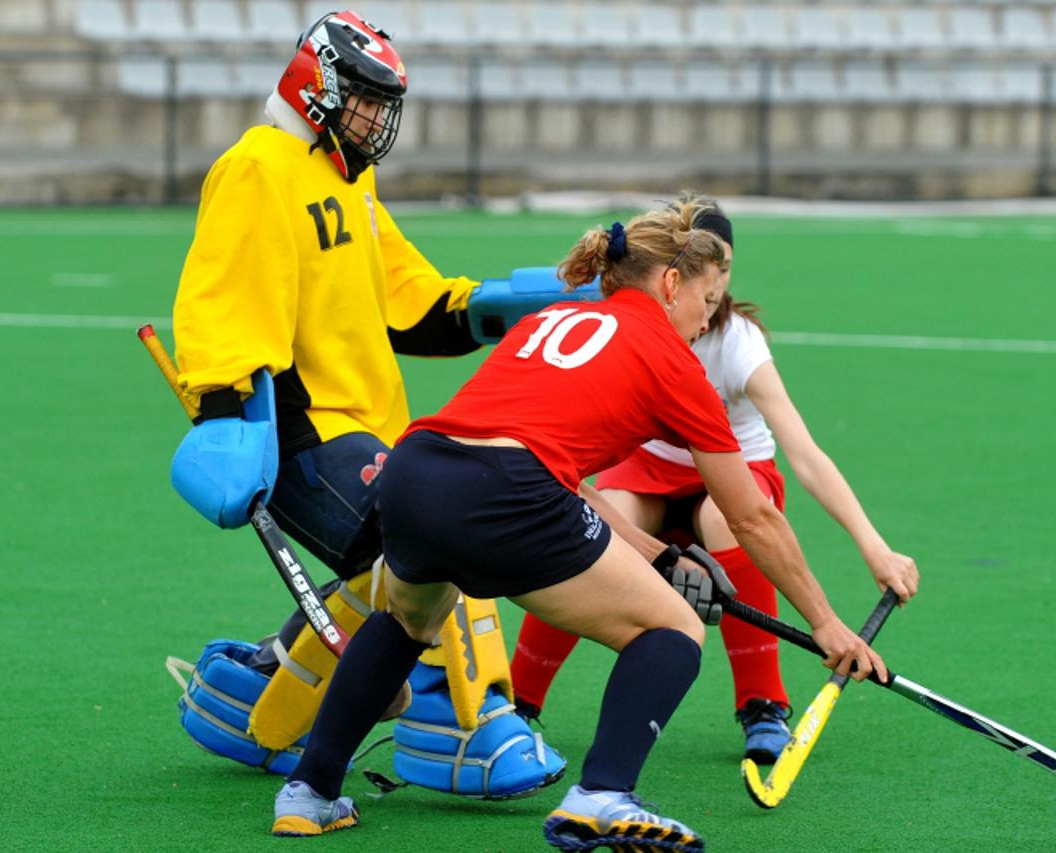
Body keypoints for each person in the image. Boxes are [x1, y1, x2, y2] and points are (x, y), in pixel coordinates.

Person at [272, 199, 889, 852]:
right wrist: (825, 622)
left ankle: (309, 794)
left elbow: (549, 466)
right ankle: (602, 795)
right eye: (706, 301)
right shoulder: (673, 360)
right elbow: (751, 514)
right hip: (508, 491)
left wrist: (658, 556)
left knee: (409, 620)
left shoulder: (555, 317)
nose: (708, 319)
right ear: (670, 283)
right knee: (671, 628)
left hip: (415, 471)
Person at [168, 9, 565, 797]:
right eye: (366, 100)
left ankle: (257, 690)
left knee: (395, 563)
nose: (378, 119)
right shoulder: (256, 168)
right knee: (433, 543)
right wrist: (225, 413)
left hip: (371, 424)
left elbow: (405, 300)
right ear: (316, 87)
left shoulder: (349, 176)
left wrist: (501, 304)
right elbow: (221, 297)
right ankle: (451, 723)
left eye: (386, 105)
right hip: (299, 429)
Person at [509, 196, 920, 765]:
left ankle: (762, 705)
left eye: (726, 265)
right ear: (671, 273)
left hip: (735, 475)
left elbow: (804, 454)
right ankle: (514, 703)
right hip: (648, 472)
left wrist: (874, 547)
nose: (719, 279)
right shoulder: (629, 324)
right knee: (600, 523)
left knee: (725, 517)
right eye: (710, 265)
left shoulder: (737, 341)